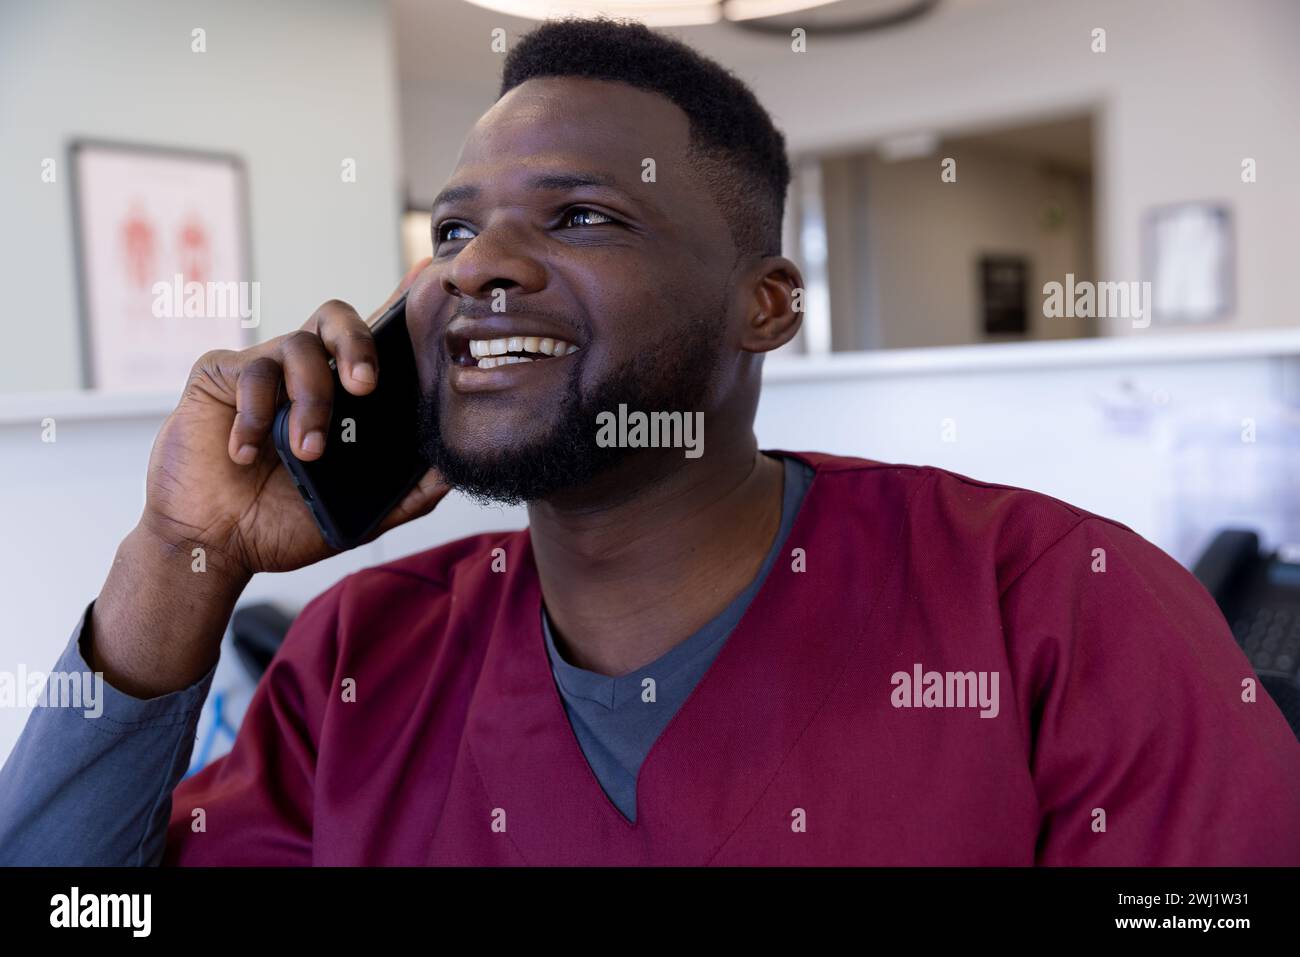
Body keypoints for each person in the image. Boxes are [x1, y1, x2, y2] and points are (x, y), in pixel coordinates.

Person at [2, 17, 1297, 867]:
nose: (480, 267)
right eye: (451, 234)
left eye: (581, 216)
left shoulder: (1069, 609)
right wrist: (183, 551)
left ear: (766, 304)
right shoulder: (359, 663)